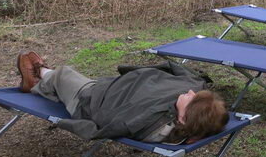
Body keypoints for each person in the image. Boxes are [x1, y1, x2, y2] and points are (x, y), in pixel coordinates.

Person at [16, 51, 229, 143]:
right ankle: (46, 83)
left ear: (183, 117)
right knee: (75, 80)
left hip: (90, 98)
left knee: (65, 73)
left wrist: (71, 123)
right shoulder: (181, 114)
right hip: (112, 89)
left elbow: (107, 123)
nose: (190, 92)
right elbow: (193, 82)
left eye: (192, 99)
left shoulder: (148, 121)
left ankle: (41, 76)